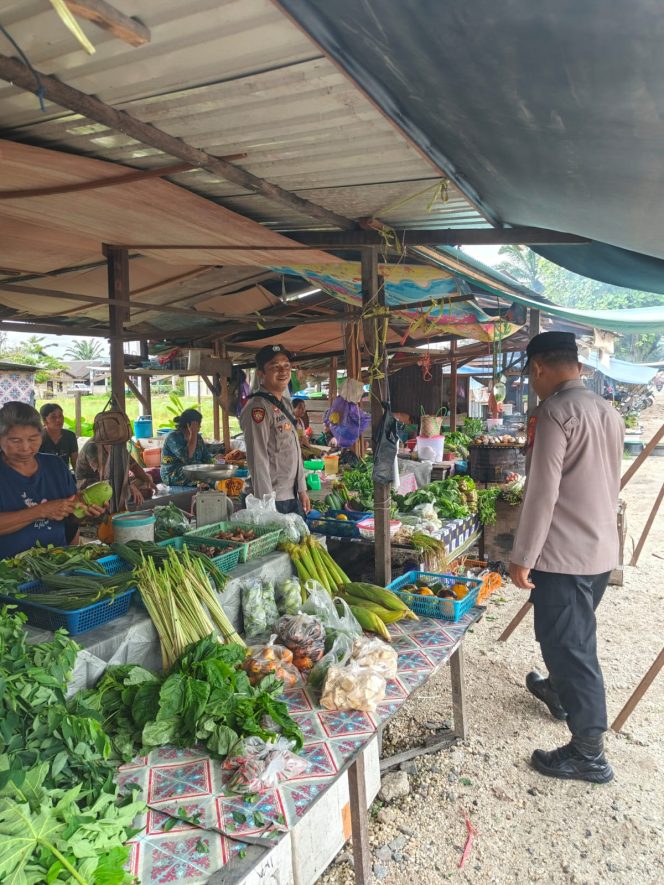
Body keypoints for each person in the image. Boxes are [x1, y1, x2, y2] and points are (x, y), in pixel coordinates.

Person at [509, 332, 624, 784]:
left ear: (538, 368)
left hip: (563, 555)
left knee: (572, 647)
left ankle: (588, 751)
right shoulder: (605, 409)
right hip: (598, 550)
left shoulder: (554, 412)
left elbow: (541, 493)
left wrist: (523, 555)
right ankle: (557, 691)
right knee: (570, 633)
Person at [0, 402, 105, 557]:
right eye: (15, 441)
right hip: (9, 571)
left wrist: (85, 511)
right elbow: (47, 510)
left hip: (56, 562)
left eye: (33, 438)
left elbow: (70, 517)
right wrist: (41, 510)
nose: (25, 447)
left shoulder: (55, 465)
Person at [240, 344, 311, 516]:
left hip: (290, 495)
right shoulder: (258, 407)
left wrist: (301, 488)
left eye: (286, 366)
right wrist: (266, 505)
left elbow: (294, 449)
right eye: (275, 367)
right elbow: (258, 457)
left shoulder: (285, 403)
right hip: (272, 499)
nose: (283, 371)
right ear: (261, 374)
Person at [77, 438, 155, 505]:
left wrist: (148, 481)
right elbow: (106, 476)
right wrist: (130, 486)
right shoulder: (93, 446)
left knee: (147, 477)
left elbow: (134, 466)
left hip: (110, 483)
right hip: (91, 485)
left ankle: (134, 494)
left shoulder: (117, 444)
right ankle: (131, 495)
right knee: (125, 492)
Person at [160, 409, 211, 487]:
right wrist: (193, 434)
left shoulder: (198, 437)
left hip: (194, 470)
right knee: (200, 475)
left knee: (212, 474)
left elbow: (207, 458)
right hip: (173, 474)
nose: (200, 427)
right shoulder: (173, 437)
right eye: (198, 424)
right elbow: (187, 457)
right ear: (189, 425)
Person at [39, 403, 78, 469]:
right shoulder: (38, 437)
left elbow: (75, 462)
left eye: (60, 416)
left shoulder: (70, 436)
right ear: (45, 420)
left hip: (64, 475)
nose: (58, 420)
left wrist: (78, 478)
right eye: (53, 417)